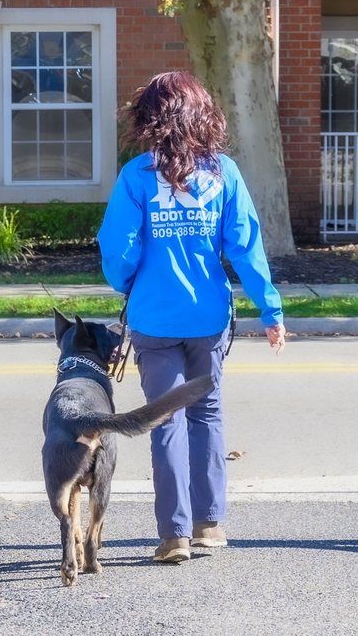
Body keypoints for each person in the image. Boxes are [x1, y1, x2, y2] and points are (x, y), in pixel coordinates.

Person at [98, 71, 286, 563]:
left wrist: (130, 283)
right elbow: (246, 247)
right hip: (208, 318)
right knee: (208, 415)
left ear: (151, 118)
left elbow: (118, 250)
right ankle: (210, 525)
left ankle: (173, 535)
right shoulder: (224, 172)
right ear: (204, 115)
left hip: (154, 319)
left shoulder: (137, 175)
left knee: (164, 421)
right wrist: (271, 310)